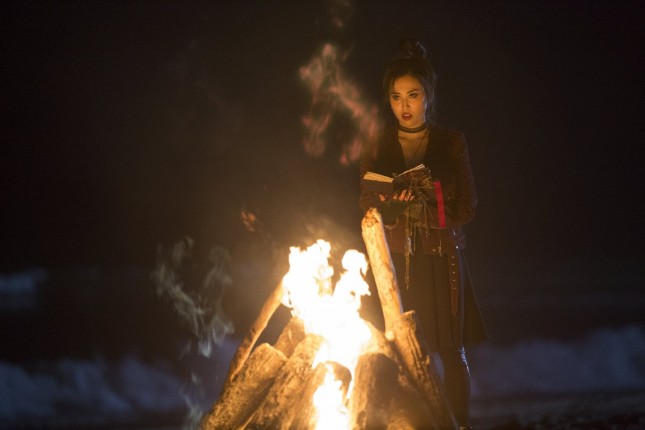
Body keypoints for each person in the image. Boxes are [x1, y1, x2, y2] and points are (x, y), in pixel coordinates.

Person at [359, 38, 487, 429]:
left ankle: (459, 424)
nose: (405, 105)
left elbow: (467, 208)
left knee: (451, 351)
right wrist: (392, 207)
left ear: (428, 95)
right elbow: (367, 208)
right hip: (396, 261)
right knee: (400, 352)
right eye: (396, 97)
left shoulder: (451, 143)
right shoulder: (377, 143)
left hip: (441, 259)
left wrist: (427, 205)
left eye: (413, 95)